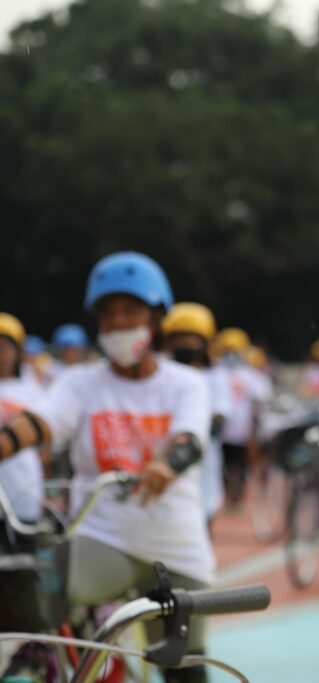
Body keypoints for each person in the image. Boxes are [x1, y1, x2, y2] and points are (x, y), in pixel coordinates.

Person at [0, 252, 214, 682]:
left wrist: (165, 465)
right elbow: (40, 423)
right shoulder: (80, 383)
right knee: (39, 599)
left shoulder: (186, 383)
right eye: (109, 313)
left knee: (182, 667)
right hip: (103, 539)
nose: (118, 323)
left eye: (130, 311)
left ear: (156, 317)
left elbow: (189, 439)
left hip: (177, 547)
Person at [162, 303, 231, 526]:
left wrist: (186, 439)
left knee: (202, 519)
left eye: (191, 339)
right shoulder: (159, 372)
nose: (185, 345)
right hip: (159, 460)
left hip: (202, 462)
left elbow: (218, 420)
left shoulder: (216, 376)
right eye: (179, 338)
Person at [215, 327, 270, 510]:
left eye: (235, 350)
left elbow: (260, 401)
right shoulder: (216, 372)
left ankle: (238, 497)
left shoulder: (251, 375)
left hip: (242, 430)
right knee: (222, 466)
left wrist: (255, 428)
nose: (231, 354)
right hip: (220, 431)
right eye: (228, 350)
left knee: (240, 466)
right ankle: (226, 496)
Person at [0, 313, 45, 526]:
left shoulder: (32, 389)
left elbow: (44, 445)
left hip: (24, 487)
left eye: (5, 348)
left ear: (17, 352)